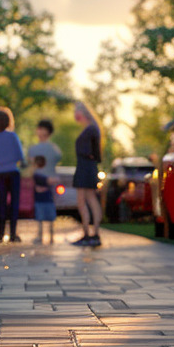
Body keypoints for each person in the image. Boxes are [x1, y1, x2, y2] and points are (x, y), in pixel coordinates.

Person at [0, 107, 24, 243]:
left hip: (0, 173)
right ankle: (13, 233)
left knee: (2, 203)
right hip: (13, 172)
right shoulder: (12, 136)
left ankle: (1, 233)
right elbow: (20, 155)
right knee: (14, 203)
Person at [72, 101, 103, 247]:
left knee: (83, 200)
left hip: (86, 166)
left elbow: (96, 153)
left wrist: (91, 159)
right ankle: (92, 234)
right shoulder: (91, 129)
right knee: (90, 199)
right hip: (86, 166)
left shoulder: (91, 129)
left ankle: (90, 234)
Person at [32, 154, 56, 245]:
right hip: (46, 199)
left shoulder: (37, 174)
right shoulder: (41, 175)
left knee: (42, 219)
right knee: (47, 219)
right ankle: (49, 237)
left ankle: (43, 237)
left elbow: (37, 187)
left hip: (42, 199)